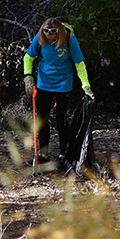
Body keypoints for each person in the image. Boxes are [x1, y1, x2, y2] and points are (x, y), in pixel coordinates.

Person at [23, 19, 94, 169]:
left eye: (53, 32)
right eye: (46, 32)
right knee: (42, 119)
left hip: (63, 84)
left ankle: (64, 155)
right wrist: (28, 76)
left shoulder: (69, 40)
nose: (49, 36)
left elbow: (79, 64)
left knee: (61, 120)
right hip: (43, 84)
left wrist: (85, 85)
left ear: (59, 32)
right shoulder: (39, 38)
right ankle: (43, 155)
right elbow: (28, 57)